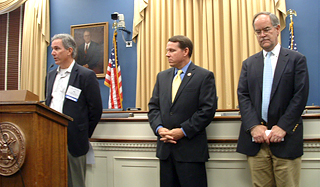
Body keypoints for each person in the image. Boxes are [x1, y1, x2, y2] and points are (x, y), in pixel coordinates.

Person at [237, 12, 309, 187]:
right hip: (256, 141)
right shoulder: (249, 63)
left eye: (266, 30)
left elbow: (300, 96)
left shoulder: (296, 60)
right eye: (258, 32)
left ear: (277, 29)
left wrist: (283, 127)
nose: (262, 35)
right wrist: (253, 126)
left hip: (286, 139)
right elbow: (243, 96)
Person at [148, 35, 217, 187]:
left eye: (172, 50)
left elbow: (207, 110)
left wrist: (183, 131)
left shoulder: (203, 76)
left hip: (190, 151)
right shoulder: (162, 77)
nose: (167, 54)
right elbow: (153, 107)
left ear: (186, 51)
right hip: (166, 149)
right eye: (167, 50)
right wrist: (159, 129)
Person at [46, 33, 103, 187]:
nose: (53, 53)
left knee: (75, 183)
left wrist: (82, 133)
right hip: (51, 138)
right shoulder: (51, 75)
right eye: (52, 49)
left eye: (57, 49)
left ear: (69, 50)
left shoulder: (86, 75)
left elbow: (96, 110)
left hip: (74, 141)